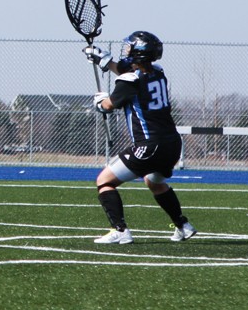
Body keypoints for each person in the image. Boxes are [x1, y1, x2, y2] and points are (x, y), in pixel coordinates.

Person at [83, 31, 196, 244]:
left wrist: (100, 102)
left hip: (149, 144)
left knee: (104, 181)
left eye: (130, 48)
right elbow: (129, 75)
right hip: (172, 144)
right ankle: (182, 225)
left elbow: (109, 105)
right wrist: (105, 62)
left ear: (139, 53)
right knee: (154, 182)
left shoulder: (129, 80)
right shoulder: (158, 73)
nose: (126, 51)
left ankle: (120, 230)